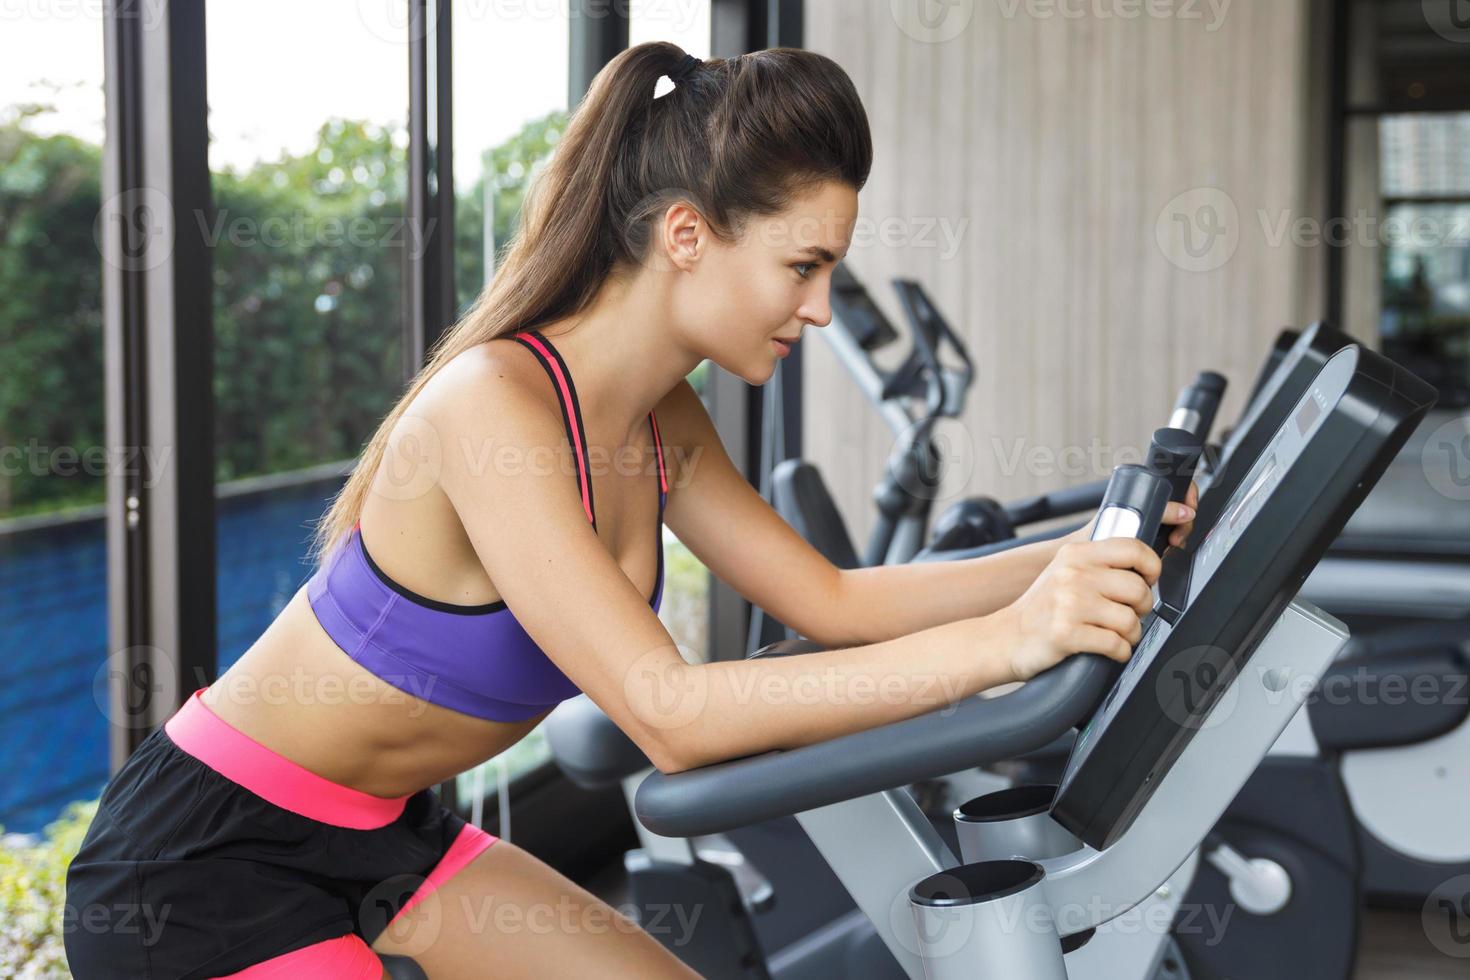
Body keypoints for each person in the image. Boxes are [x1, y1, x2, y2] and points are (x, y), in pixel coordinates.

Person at [63, 42, 1194, 979]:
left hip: (384, 832)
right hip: (198, 862)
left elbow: (834, 597)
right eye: (803, 265)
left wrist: (1101, 549)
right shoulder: (492, 405)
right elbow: (670, 712)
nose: (819, 308)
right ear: (687, 234)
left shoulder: (664, 417)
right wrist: (1007, 641)